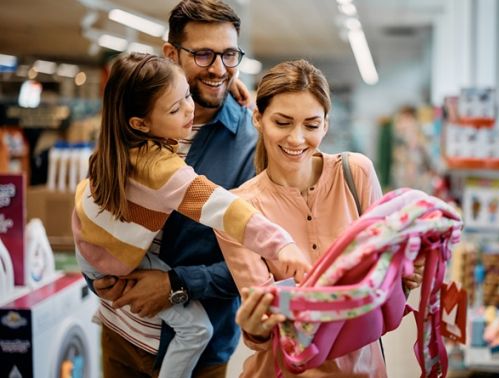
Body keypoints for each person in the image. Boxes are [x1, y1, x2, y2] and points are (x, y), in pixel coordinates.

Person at [73, 52, 311, 378]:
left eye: (187, 93)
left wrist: (233, 92)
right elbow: (227, 210)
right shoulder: (163, 170)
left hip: (90, 246)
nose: (190, 108)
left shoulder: (114, 144)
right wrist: (280, 244)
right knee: (197, 330)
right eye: (176, 107)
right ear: (140, 123)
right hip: (117, 278)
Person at [88, 1, 269, 377]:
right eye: (203, 54)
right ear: (171, 53)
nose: (219, 69)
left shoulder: (251, 145)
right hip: (120, 331)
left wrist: (176, 284)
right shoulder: (133, 118)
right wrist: (96, 269)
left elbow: (261, 262)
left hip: (195, 353)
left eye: (229, 54)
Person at [218, 59, 425, 377]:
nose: (297, 139)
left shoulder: (355, 174)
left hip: (364, 370)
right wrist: (257, 327)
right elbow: (264, 333)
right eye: (283, 122)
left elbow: (383, 290)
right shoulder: (239, 210)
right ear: (258, 118)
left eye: (311, 125)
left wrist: (402, 275)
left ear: (326, 125)